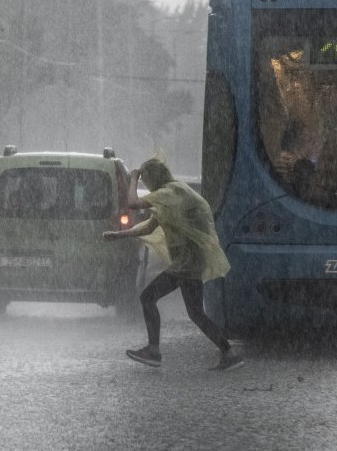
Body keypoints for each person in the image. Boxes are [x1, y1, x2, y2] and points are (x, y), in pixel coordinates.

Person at [102, 156, 244, 371]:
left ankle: (154, 350)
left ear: (152, 179)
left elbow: (132, 204)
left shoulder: (172, 192)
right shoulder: (172, 196)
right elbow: (149, 227)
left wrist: (133, 179)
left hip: (187, 262)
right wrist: (120, 235)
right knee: (196, 312)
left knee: (147, 297)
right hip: (188, 260)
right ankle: (229, 353)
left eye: (145, 180)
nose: (146, 185)